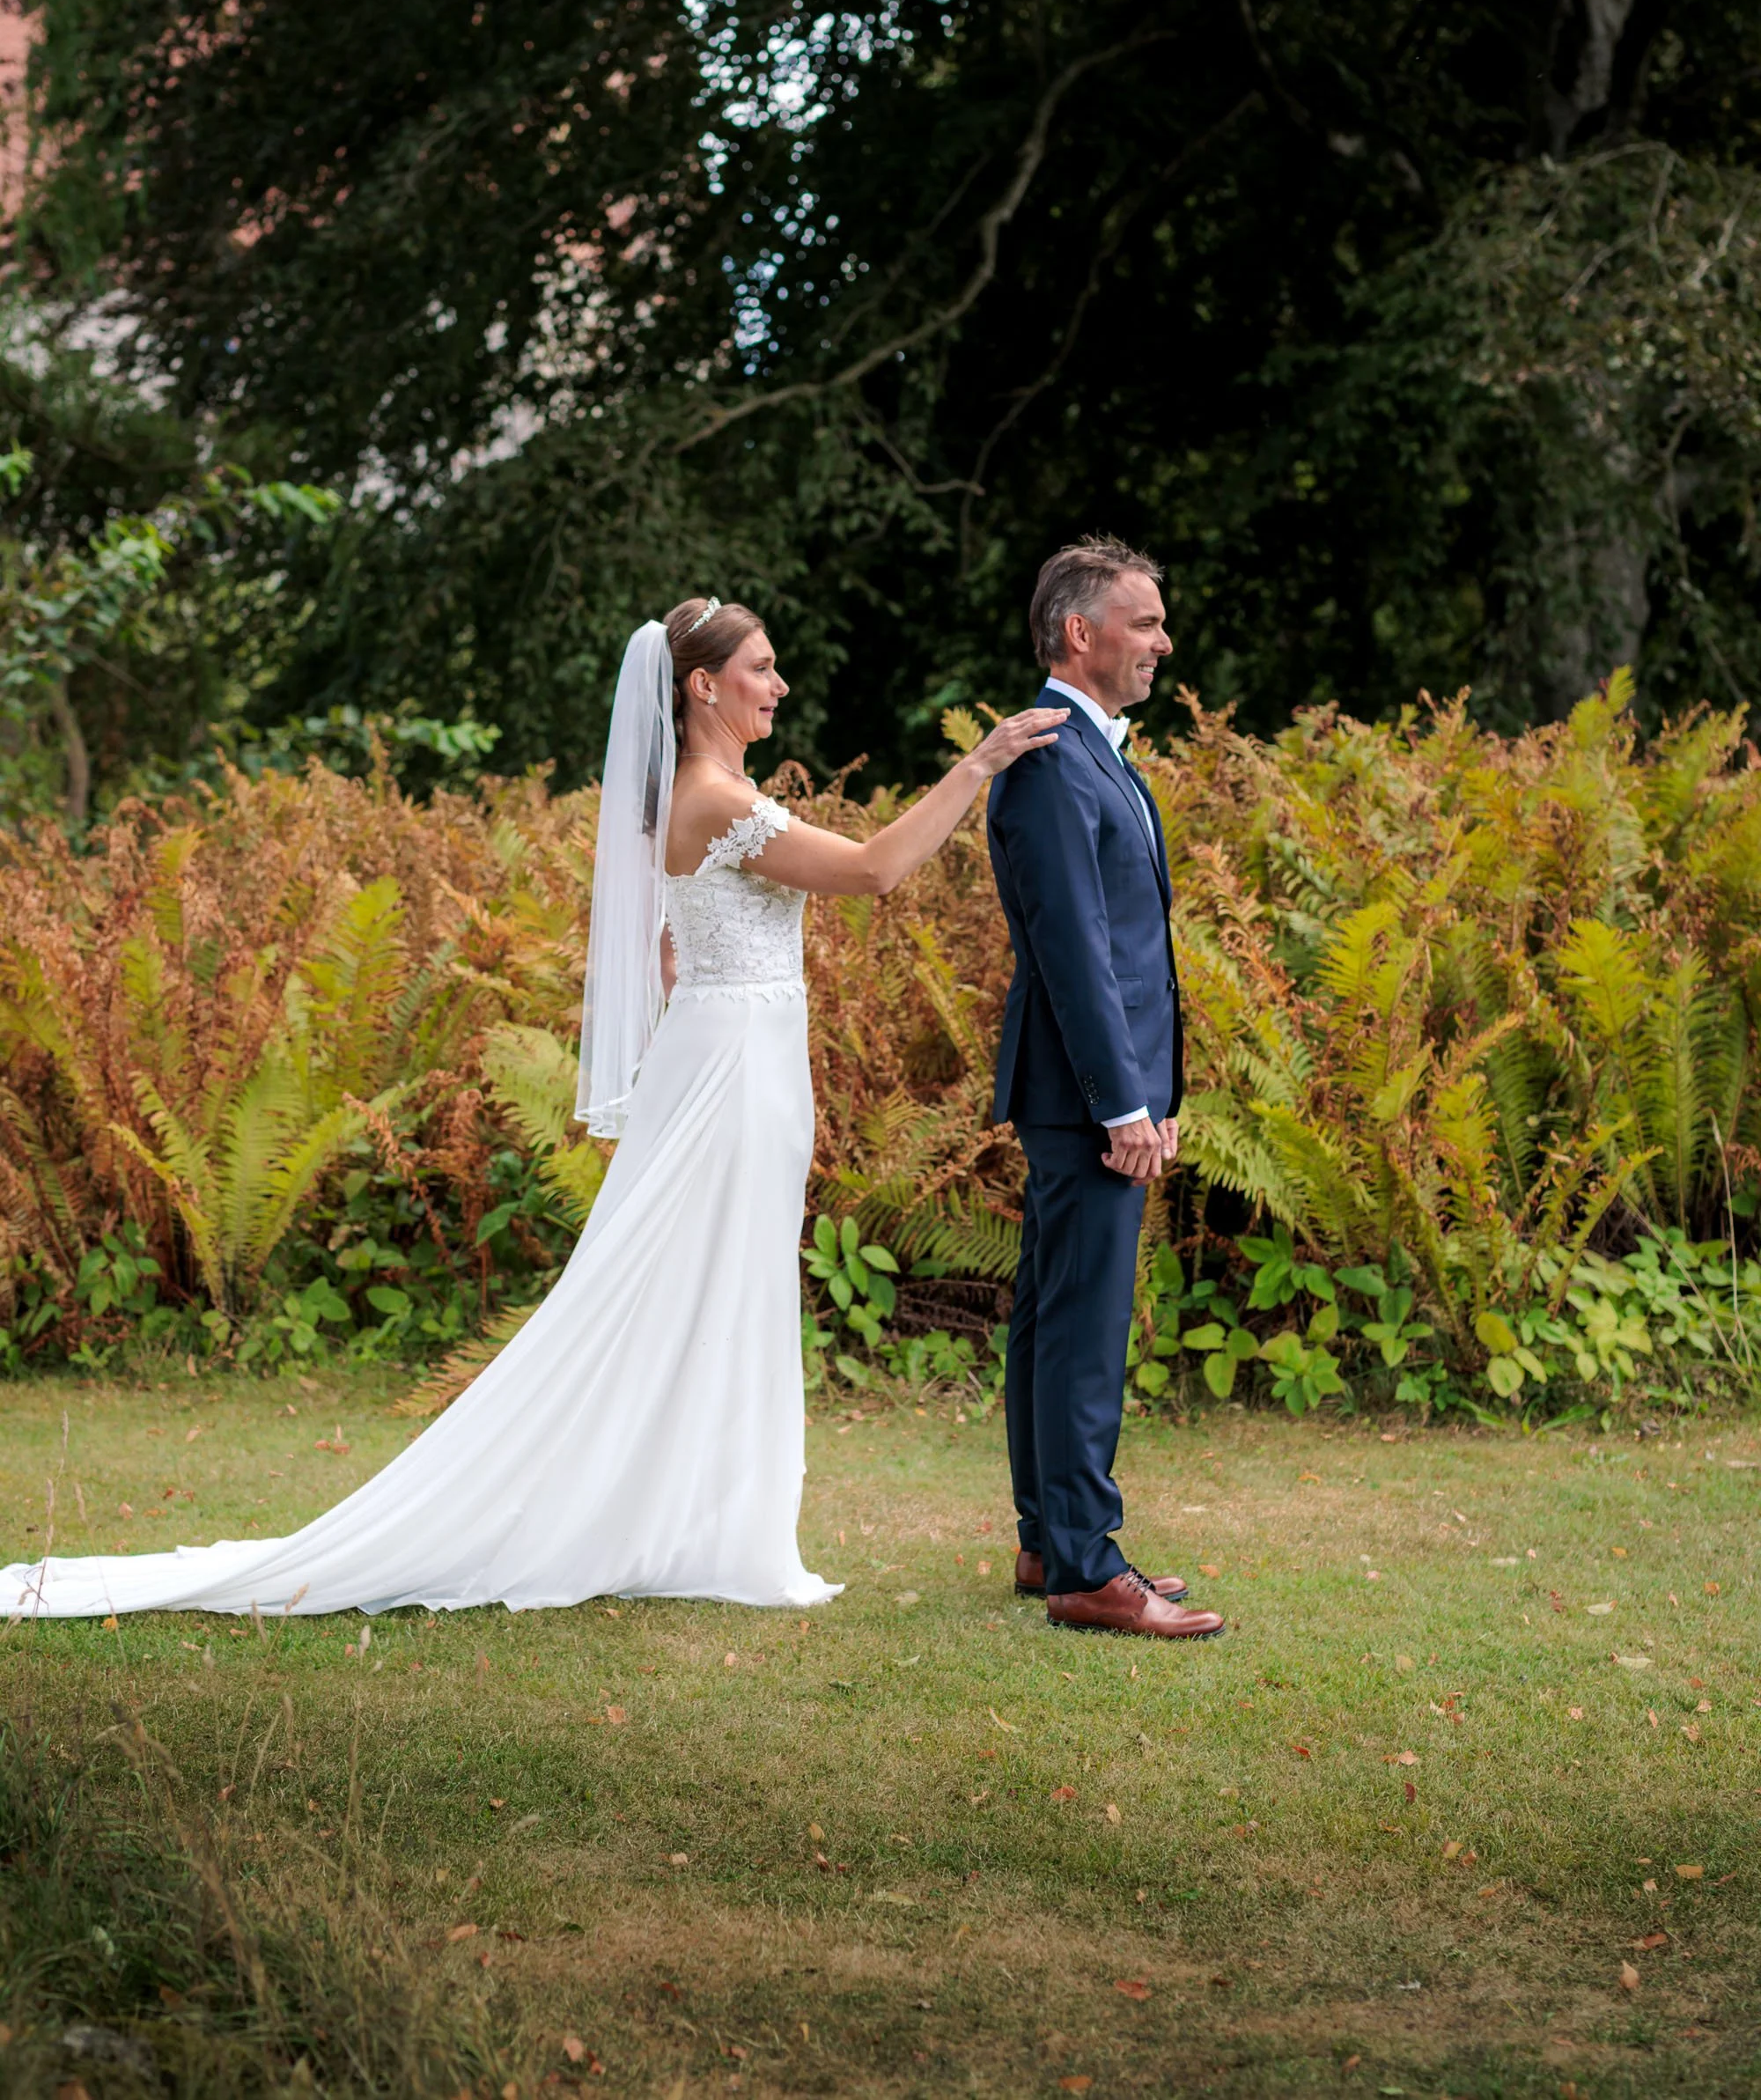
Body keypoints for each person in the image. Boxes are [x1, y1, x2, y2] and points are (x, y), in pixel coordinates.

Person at [2, 601, 1057, 1620]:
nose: (778, 683)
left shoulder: (708, 795)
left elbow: (666, 944)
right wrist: (978, 761)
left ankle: (703, 1523)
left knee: (721, 1283)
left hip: (745, 1051)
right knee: (677, 1282)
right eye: (760, 667)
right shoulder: (715, 799)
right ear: (702, 685)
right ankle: (677, 1523)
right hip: (734, 1063)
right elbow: (874, 871)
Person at [987, 538, 1226, 1640]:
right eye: (1143, 622)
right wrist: (1120, 1104)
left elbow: (1130, 946)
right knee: (1081, 1324)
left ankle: (1049, 1540)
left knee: (1050, 1311)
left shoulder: (1095, 755)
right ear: (1079, 634)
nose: (1162, 641)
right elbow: (1075, 948)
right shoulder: (1046, 761)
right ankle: (1085, 1565)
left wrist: (1147, 1085)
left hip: (1093, 1086)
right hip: (1084, 1094)